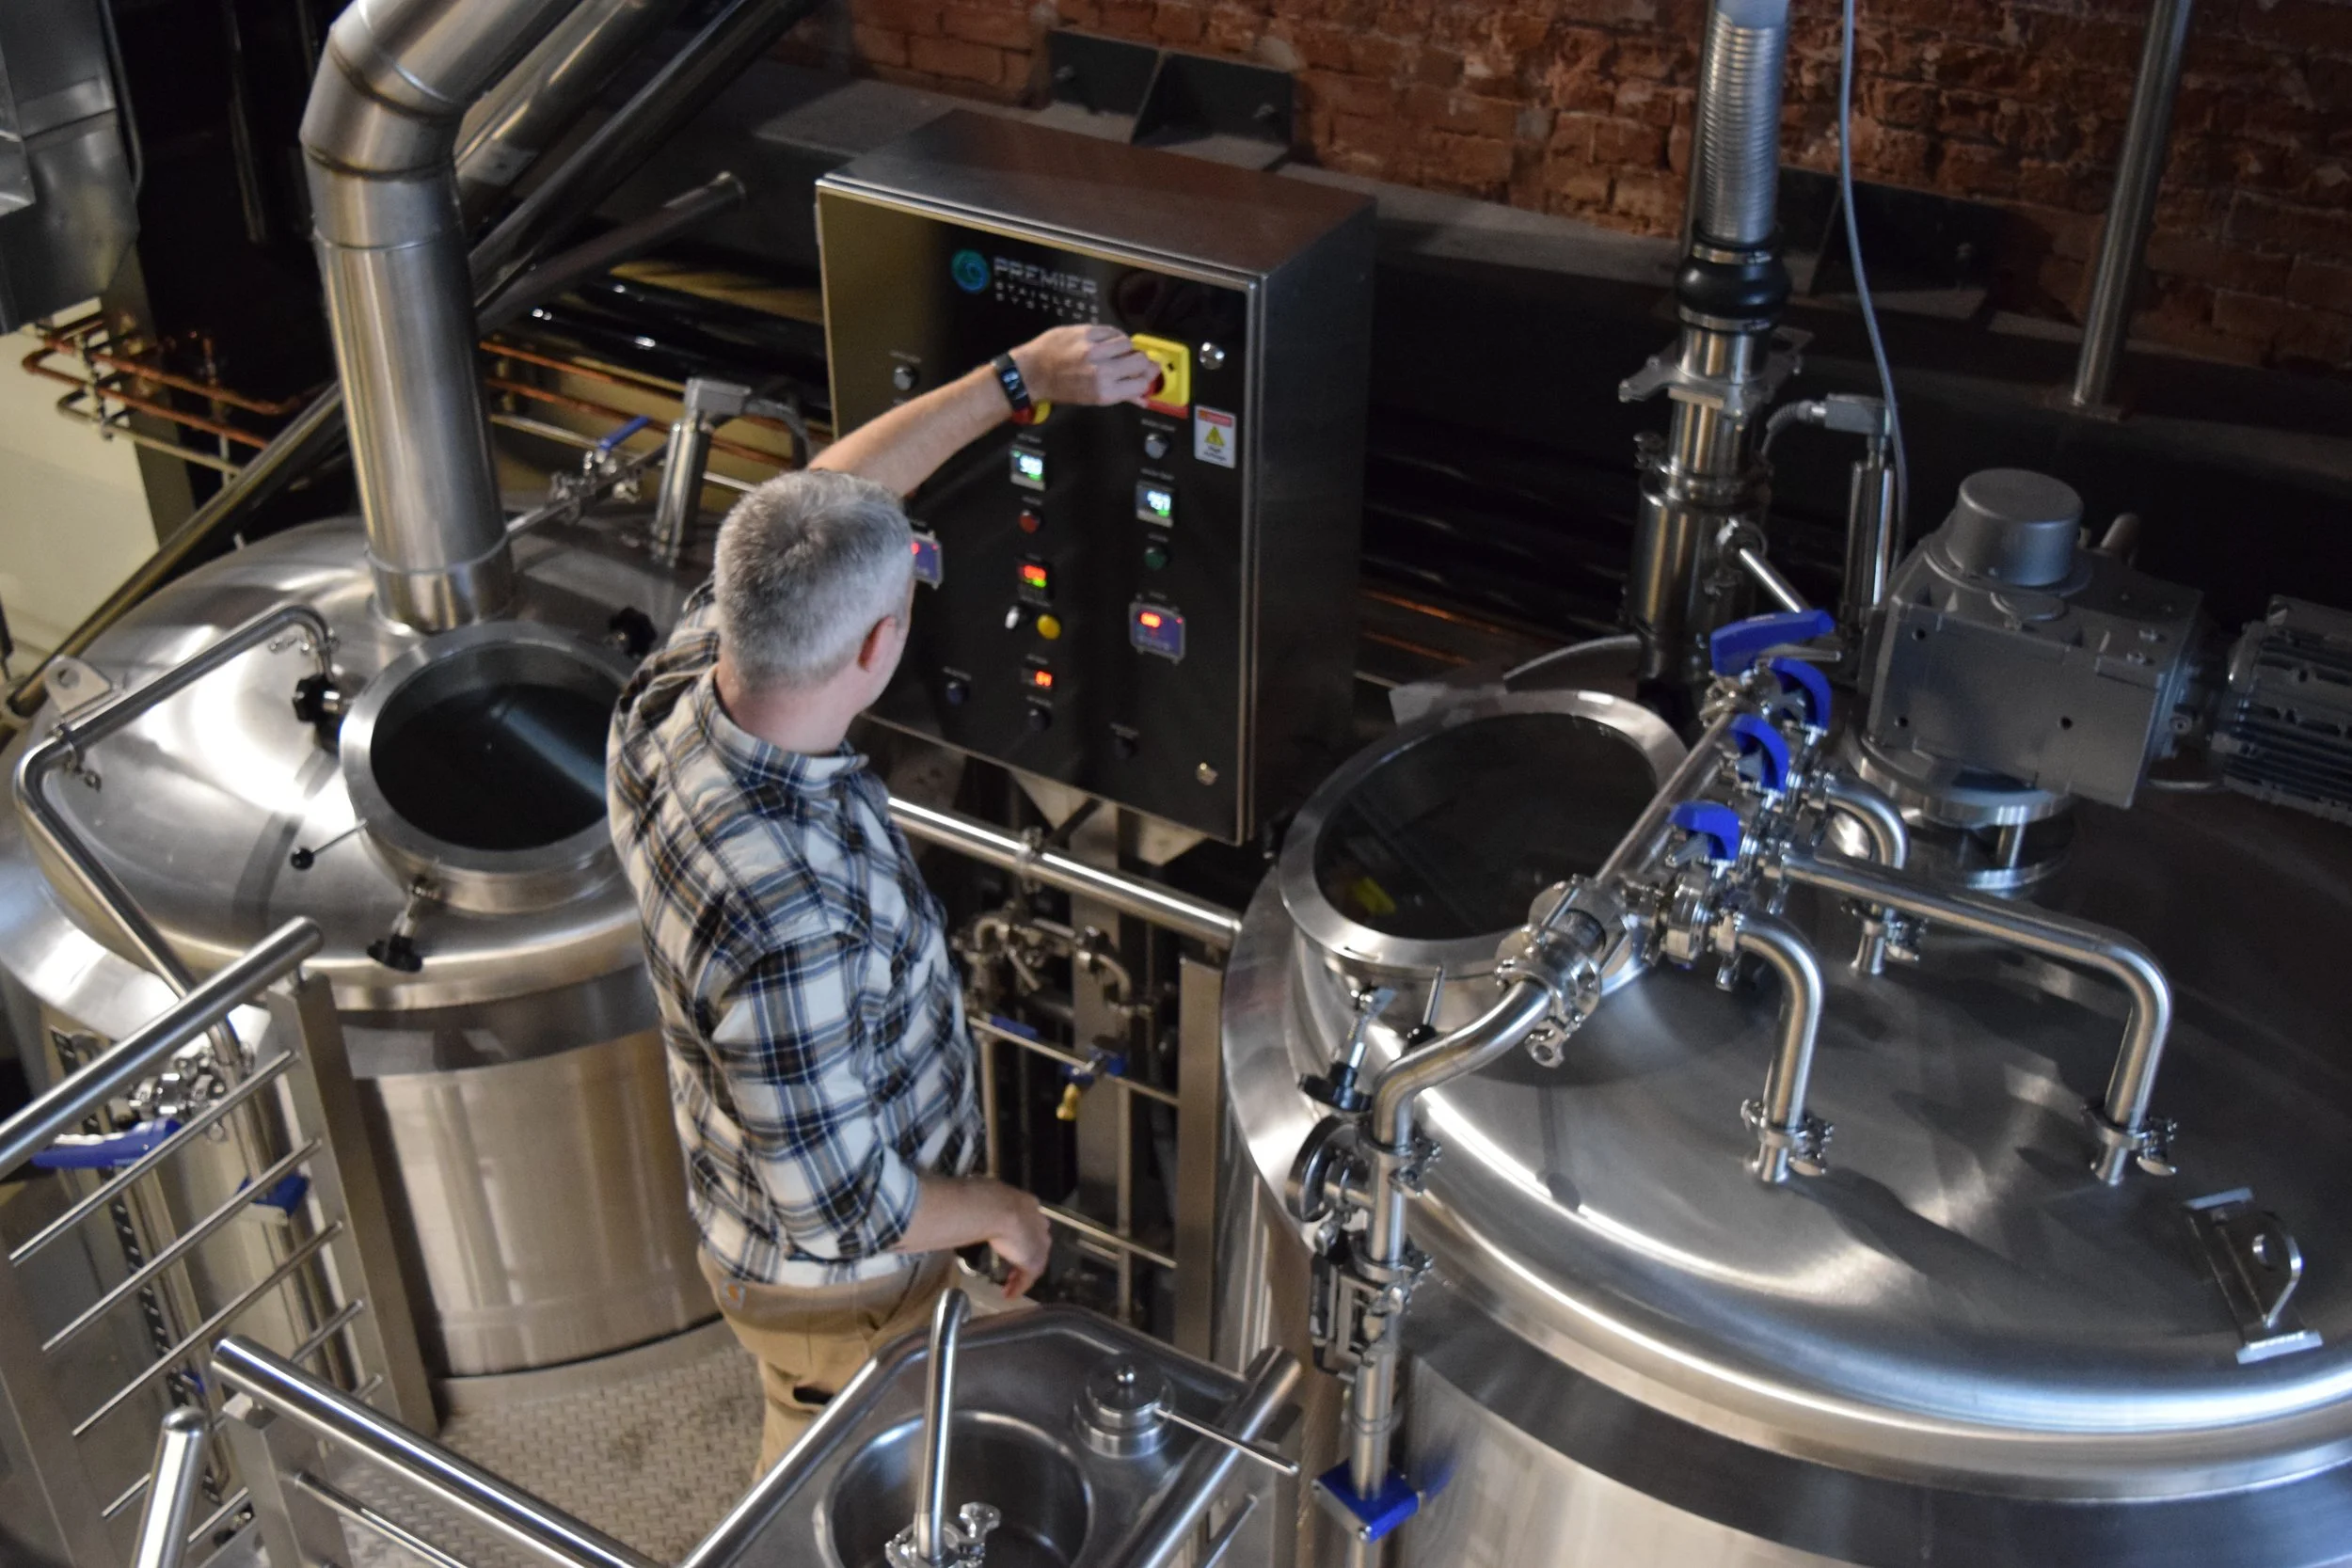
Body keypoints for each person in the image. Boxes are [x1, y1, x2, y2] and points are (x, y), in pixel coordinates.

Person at [609, 325, 1161, 1473]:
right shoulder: (787, 919)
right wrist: (1002, 1209)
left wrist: (1015, 383)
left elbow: (829, 496)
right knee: (845, 1482)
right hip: (840, 1289)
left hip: (754, 1216)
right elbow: (847, 1206)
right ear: (879, 646)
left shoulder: (673, 696)